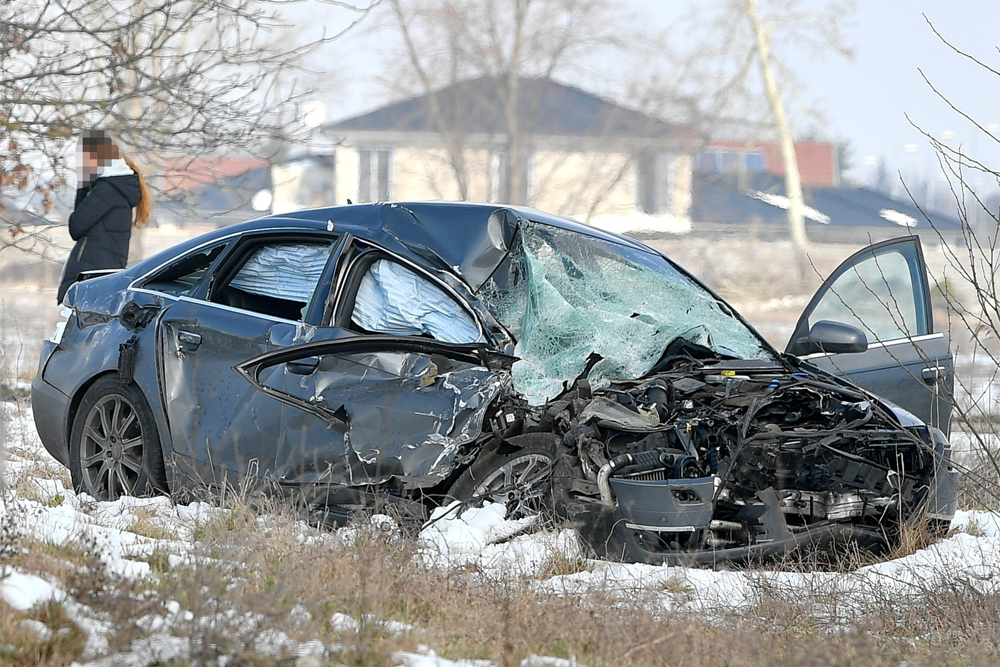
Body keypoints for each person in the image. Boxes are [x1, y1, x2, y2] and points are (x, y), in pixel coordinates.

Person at [57, 130, 152, 304]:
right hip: (104, 274)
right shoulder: (117, 186)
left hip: (90, 278)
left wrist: (83, 185)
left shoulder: (106, 190)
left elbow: (76, 227)